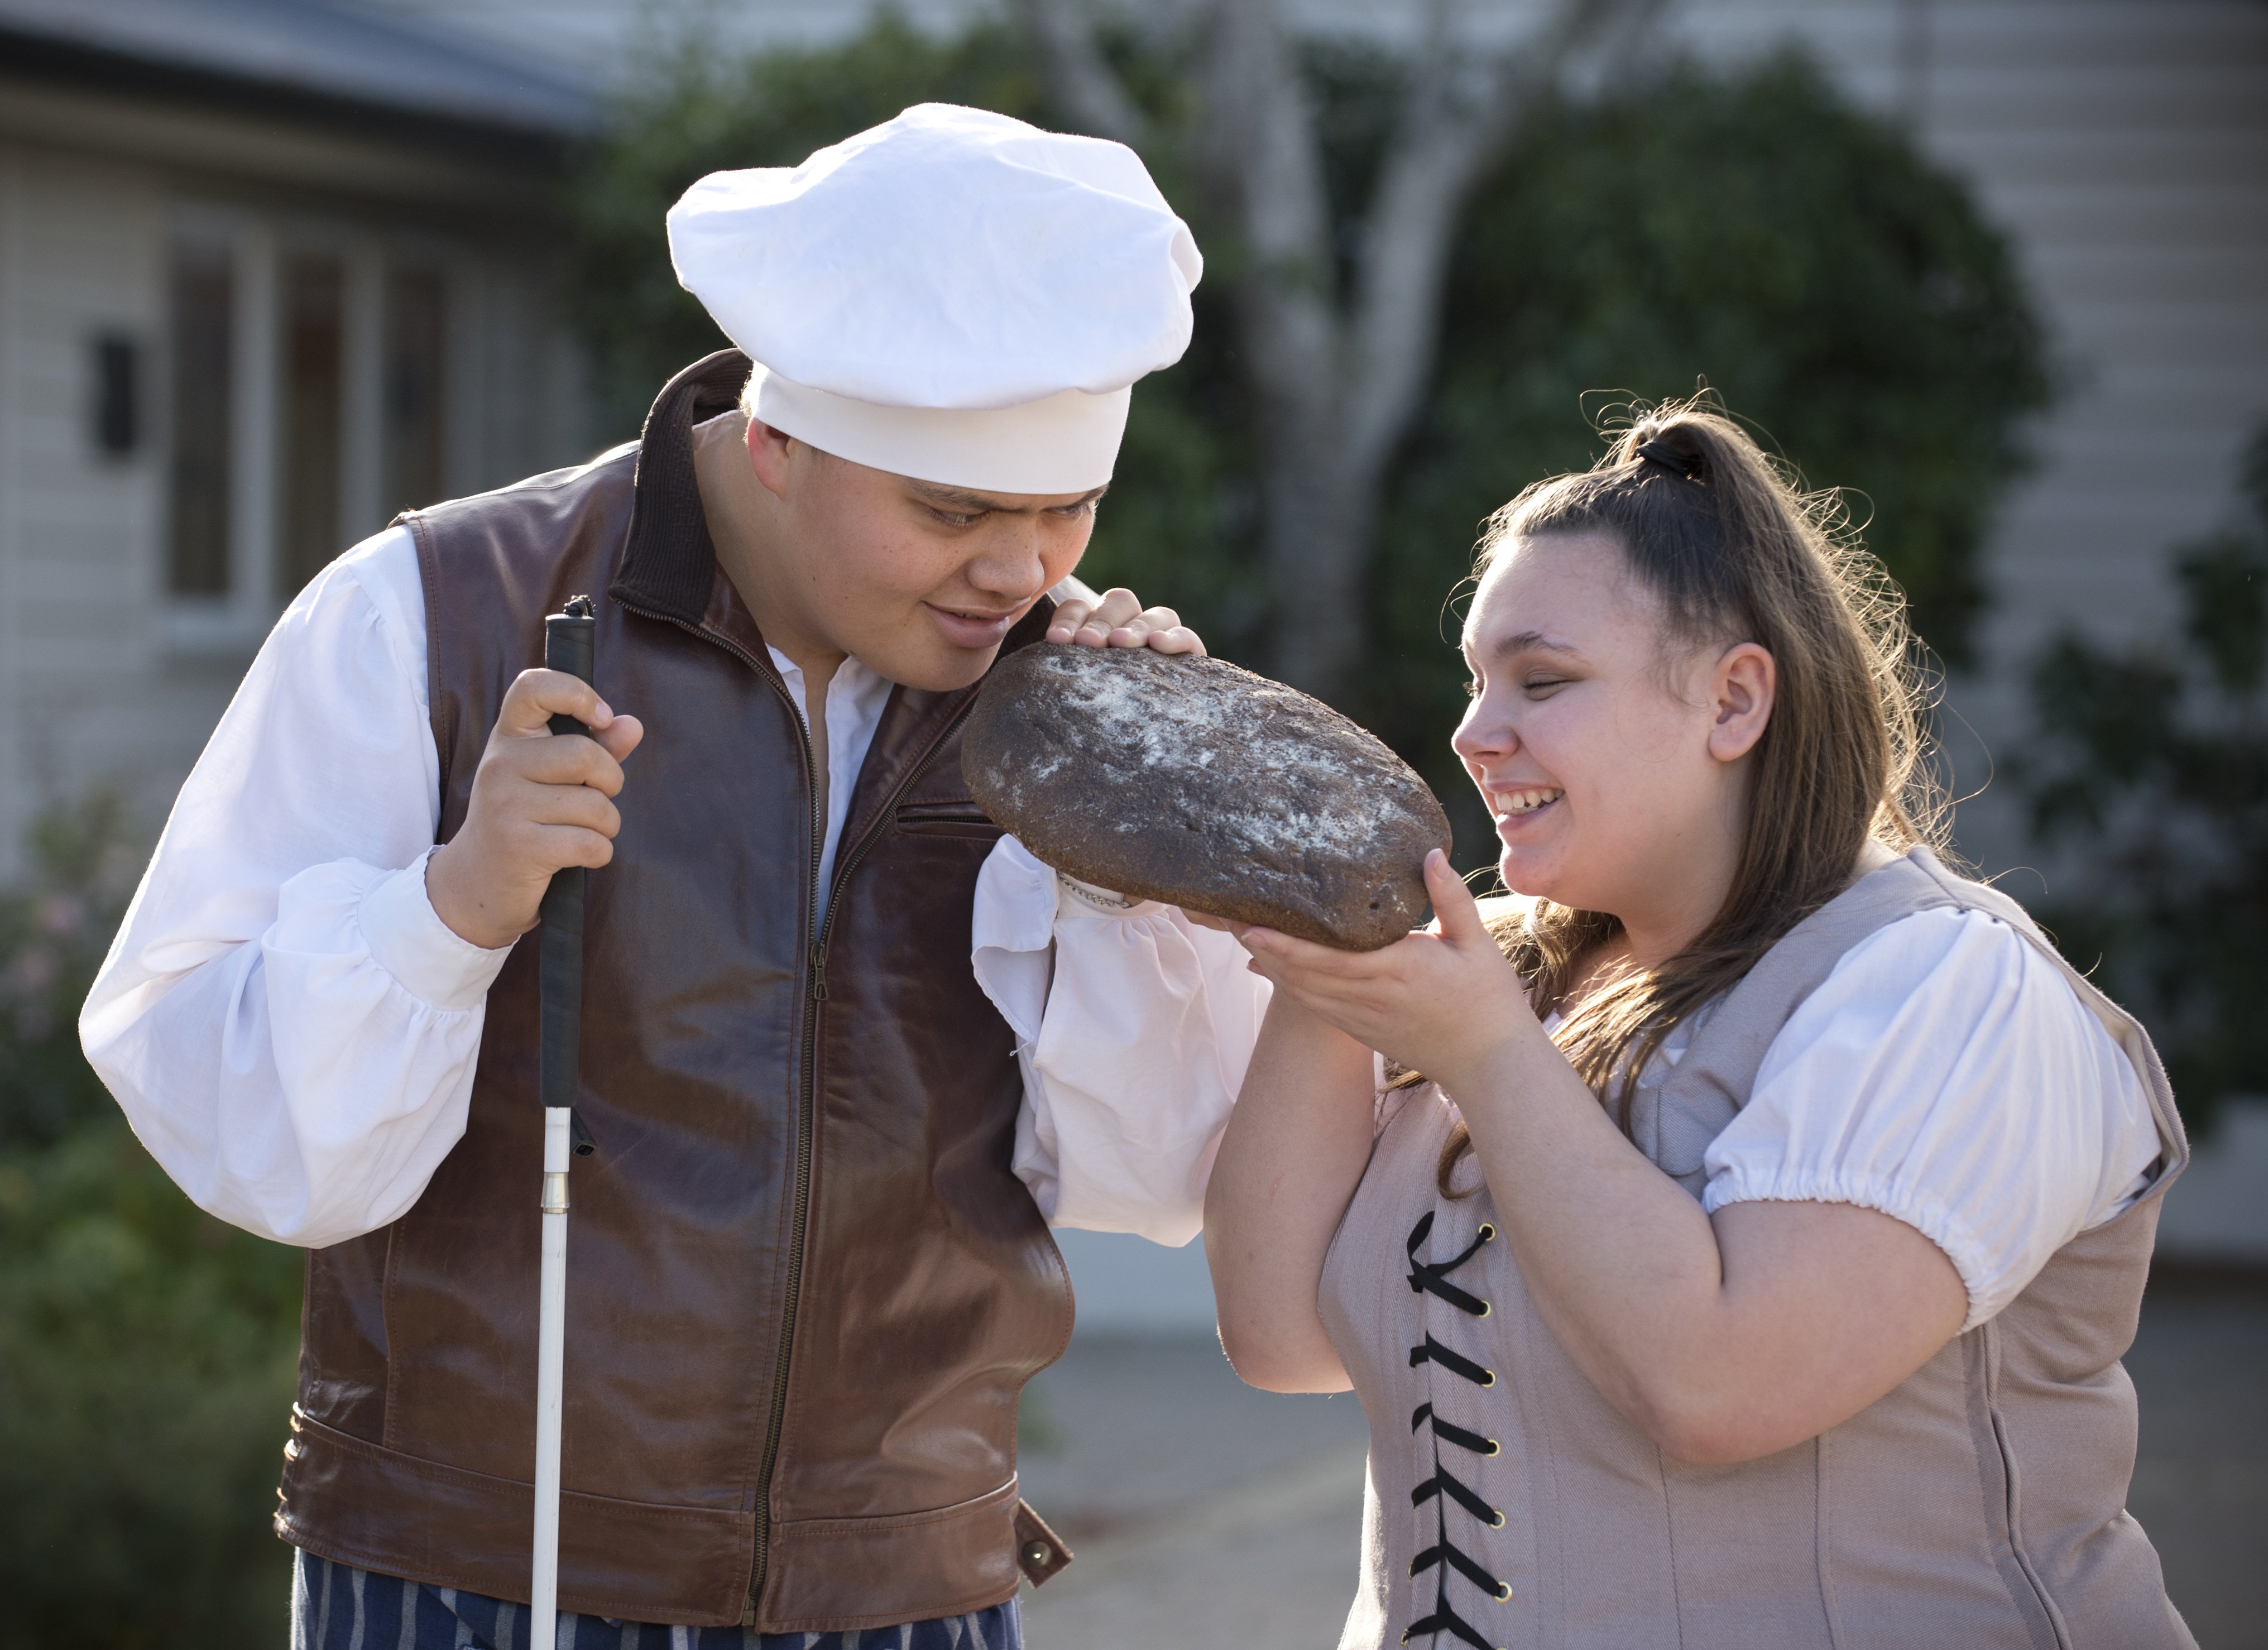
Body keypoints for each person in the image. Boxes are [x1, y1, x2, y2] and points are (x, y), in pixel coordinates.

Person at [80, 104, 1262, 1649]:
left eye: (1064, 510)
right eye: (954, 510)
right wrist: (454, 908)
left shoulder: (1059, 698)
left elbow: (1172, 1178)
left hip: (906, 1589)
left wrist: (1130, 858)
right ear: (773, 440)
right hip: (478, 1580)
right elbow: (231, 1120)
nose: (1019, 571)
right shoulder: (432, 613)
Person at [1201, 402, 2196, 1648]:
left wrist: (1491, 1057)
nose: (1473, 731)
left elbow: (1718, 1386)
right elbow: (1280, 1332)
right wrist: (1320, 944)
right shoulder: (1491, 974)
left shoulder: (1945, 987)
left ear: (1734, 701)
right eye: (1474, 679)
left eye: (1543, 680)